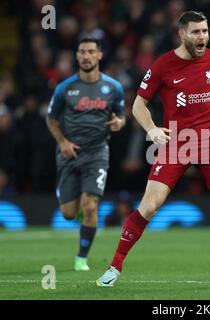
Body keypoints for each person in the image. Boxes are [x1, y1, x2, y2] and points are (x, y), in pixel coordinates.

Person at [96, 11, 210, 287]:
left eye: (205, 31)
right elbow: (138, 105)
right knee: (148, 207)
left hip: (209, 141)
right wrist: (152, 129)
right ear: (182, 34)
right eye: (196, 32)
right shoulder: (162, 66)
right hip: (177, 144)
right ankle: (114, 267)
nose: (203, 37)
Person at [46, 38, 126, 271]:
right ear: (77, 56)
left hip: (98, 152)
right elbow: (51, 118)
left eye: (91, 51)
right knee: (69, 214)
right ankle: (77, 204)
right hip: (69, 152)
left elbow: (121, 115)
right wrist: (62, 142)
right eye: (82, 52)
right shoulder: (65, 88)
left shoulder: (113, 87)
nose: (86, 56)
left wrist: (119, 123)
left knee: (90, 206)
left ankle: (82, 257)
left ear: (99, 55)